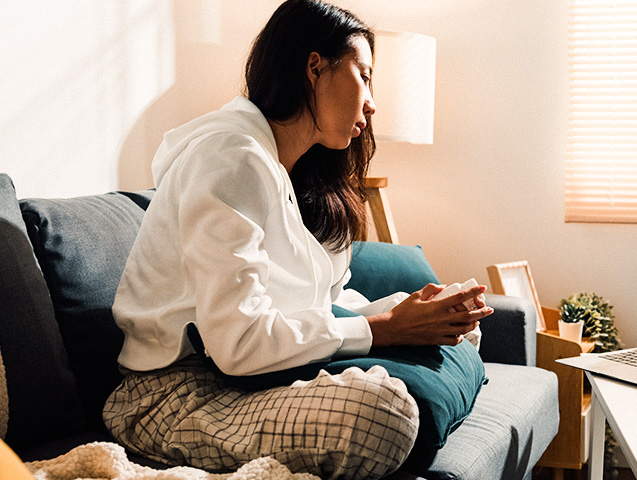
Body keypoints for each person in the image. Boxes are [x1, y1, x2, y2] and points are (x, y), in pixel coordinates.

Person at [102, 1, 493, 478]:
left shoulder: (293, 173)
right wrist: (386, 327)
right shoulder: (229, 158)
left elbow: (324, 302)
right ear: (314, 66)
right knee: (384, 412)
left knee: (462, 331)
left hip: (248, 378)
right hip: (178, 396)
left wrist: (410, 311)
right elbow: (241, 342)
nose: (372, 101)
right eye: (364, 76)